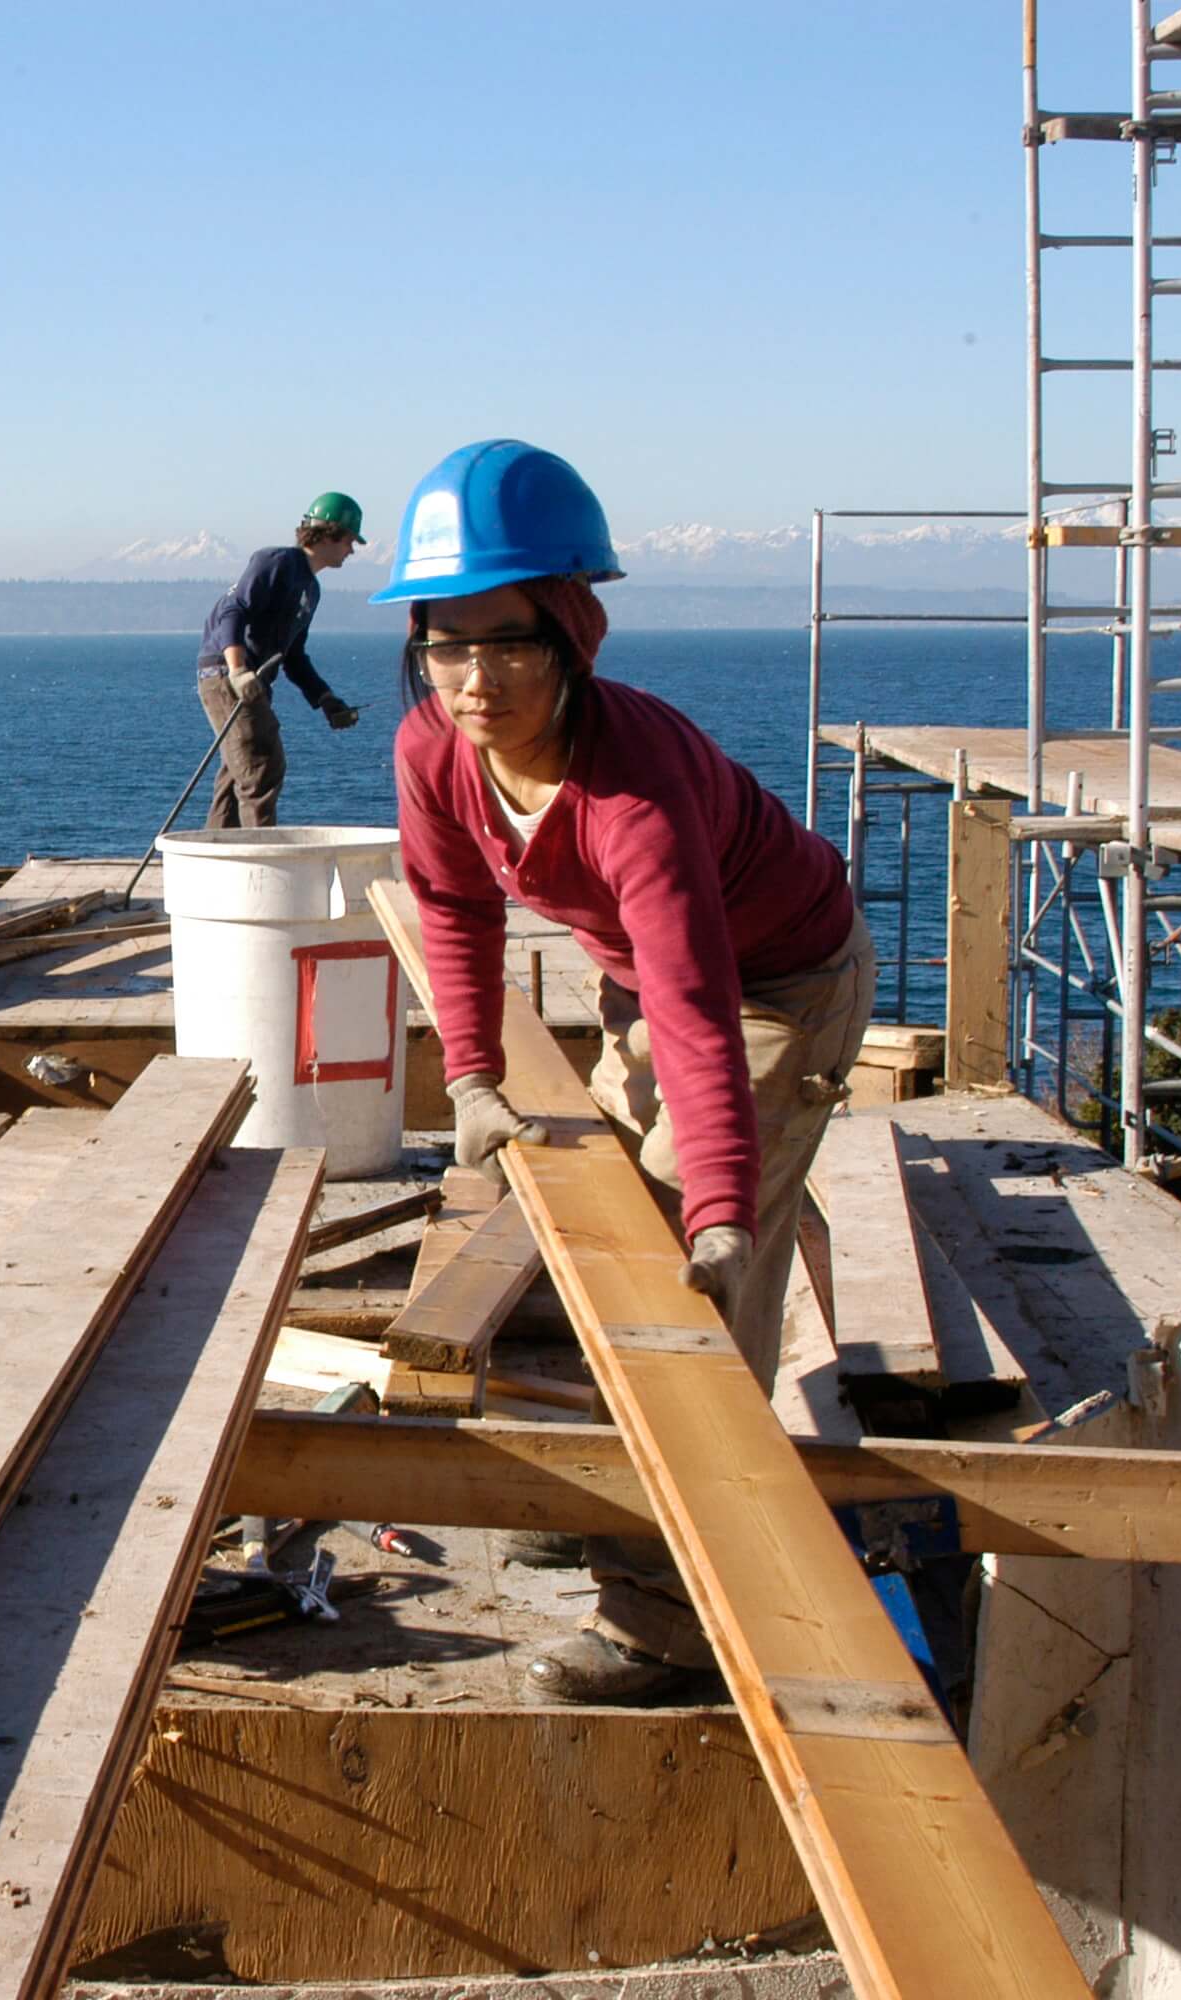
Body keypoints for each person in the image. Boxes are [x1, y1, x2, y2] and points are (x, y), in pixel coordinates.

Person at [376, 441, 875, 1704]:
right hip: (646, 982)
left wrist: (717, 1206)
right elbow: (448, 906)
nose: (474, 679)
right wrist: (474, 1076)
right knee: (575, 1228)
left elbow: (703, 1008)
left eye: (508, 642)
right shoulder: (436, 751)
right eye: (445, 644)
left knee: (686, 1281)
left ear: (572, 634)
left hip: (777, 983)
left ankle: (672, 1621)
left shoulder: (631, 792)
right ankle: (590, 1488)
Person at [195, 492, 369, 827]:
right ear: (329, 533)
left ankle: (219, 856)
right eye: (350, 540)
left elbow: (293, 657)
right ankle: (260, 867)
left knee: (238, 773)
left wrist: (326, 700)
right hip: (227, 675)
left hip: (250, 680)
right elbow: (233, 611)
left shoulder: (310, 589)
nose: (351, 550)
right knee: (261, 766)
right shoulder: (276, 562)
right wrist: (237, 671)